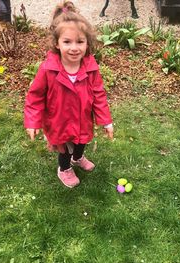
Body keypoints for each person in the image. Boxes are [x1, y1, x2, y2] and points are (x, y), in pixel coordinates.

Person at [24, 1, 114, 188]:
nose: (74, 48)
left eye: (80, 42)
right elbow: (35, 97)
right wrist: (33, 122)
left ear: (87, 43)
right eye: (67, 42)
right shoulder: (48, 69)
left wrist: (106, 120)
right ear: (57, 43)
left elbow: (98, 95)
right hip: (59, 121)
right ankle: (64, 168)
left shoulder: (90, 67)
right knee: (64, 148)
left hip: (82, 118)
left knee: (82, 140)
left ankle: (78, 157)